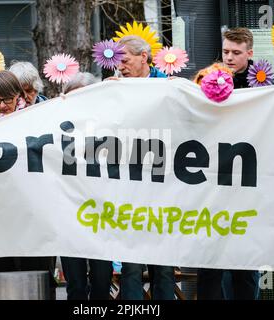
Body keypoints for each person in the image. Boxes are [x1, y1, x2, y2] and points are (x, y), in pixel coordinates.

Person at [0, 70, 57, 297]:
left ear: (18, 95)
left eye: (7, 100)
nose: (1, 106)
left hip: (34, 213)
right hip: (1, 215)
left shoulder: (36, 117)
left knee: (39, 272)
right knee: (6, 273)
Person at [197, 28, 260, 300]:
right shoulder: (208, 78)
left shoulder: (263, 84)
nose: (230, 58)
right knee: (210, 264)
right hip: (212, 184)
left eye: (236, 52)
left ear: (250, 53)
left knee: (245, 264)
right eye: (226, 52)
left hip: (247, 187)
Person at [115, 35, 175, 300]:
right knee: (131, 265)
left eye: (125, 60)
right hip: (128, 187)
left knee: (162, 266)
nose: (120, 66)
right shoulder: (114, 88)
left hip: (163, 186)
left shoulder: (169, 85)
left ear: (144, 57)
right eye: (117, 61)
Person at [60, 72, 114, 300]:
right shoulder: (56, 128)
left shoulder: (109, 127)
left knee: (102, 283)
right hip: (69, 218)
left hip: (102, 219)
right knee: (76, 287)